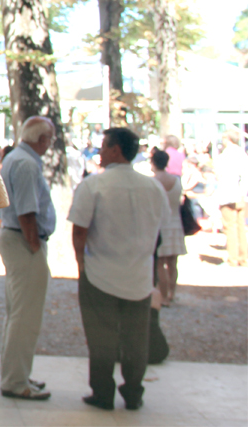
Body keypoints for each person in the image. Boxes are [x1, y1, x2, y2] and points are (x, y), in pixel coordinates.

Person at [68, 127, 171, 411]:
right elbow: (161, 229)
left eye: (103, 146)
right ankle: (134, 392)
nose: (99, 152)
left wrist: (81, 262)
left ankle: (103, 392)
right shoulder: (153, 188)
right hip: (139, 275)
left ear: (116, 150)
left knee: (101, 337)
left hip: (100, 272)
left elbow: (79, 230)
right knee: (136, 338)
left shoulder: (94, 185)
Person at [0, 116, 56, 401]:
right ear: (41, 139)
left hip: (18, 238)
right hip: (23, 240)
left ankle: (16, 374)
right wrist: (34, 245)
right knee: (25, 316)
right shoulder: (25, 163)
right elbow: (27, 211)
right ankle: (15, 380)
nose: (50, 144)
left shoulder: (17, 158)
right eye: (49, 139)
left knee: (17, 314)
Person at [151, 149, 186, 306]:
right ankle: (172, 293)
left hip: (160, 224)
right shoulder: (176, 180)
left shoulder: (153, 182)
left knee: (160, 263)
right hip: (175, 222)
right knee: (173, 263)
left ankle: (163, 296)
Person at [215, 130, 248, 267]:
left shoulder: (225, 155)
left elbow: (220, 175)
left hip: (228, 194)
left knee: (230, 227)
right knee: (241, 227)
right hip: (241, 194)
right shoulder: (242, 153)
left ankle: (232, 259)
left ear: (227, 138)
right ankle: (244, 258)